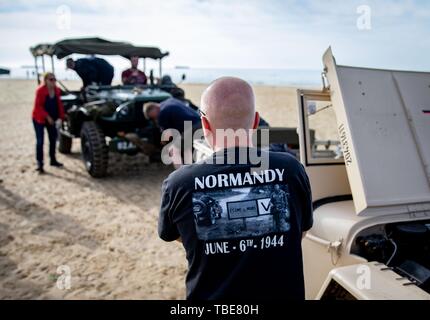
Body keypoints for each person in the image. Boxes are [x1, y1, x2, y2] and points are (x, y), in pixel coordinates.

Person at [158, 77, 313, 300]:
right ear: (256, 121)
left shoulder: (178, 184)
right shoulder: (292, 170)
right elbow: (300, 230)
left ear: (205, 125)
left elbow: (177, 235)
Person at [31, 72, 65, 173]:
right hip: (39, 119)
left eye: (54, 79)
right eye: (51, 79)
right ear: (45, 80)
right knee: (40, 141)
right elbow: (38, 106)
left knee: (53, 139)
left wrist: (61, 116)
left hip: (52, 119)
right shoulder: (40, 90)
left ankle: (53, 160)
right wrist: (47, 117)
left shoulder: (57, 90)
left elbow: (60, 103)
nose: (53, 81)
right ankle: (40, 164)